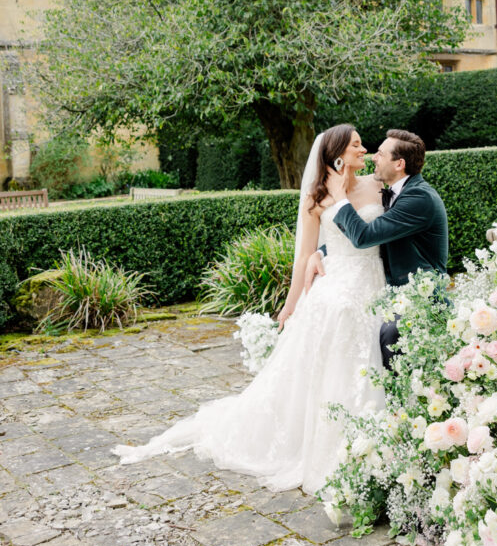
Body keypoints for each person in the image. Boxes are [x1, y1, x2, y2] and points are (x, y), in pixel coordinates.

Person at [111, 125, 386, 496]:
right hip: (337, 288)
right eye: (356, 145)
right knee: (332, 357)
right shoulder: (316, 197)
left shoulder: (375, 185)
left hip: (373, 282)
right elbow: (304, 254)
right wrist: (291, 305)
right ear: (337, 153)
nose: (364, 150)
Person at [305, 129, 448, 368]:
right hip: (388, 287)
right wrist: (321, 252)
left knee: (388, 333)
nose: (373, 157)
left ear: (399, 164)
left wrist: (341, 197)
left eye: (380, 154)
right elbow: (376, 229)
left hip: (419, 294)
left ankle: (397, 399)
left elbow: (363, 236)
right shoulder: (393, 190)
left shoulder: (418, 198)